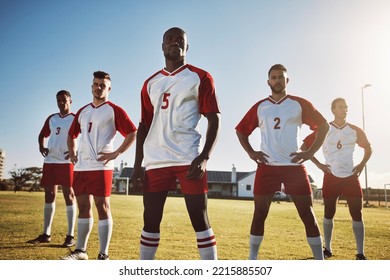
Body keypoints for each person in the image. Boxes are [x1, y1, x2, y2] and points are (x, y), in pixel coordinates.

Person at [131, 27, 220, 260]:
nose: (175, 43)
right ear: (162, 46)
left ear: (187, 47)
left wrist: (204, 157)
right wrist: (137, 164)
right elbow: (144, 125)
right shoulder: (150, 83)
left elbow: (214, 118)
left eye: (180, 40)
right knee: (150, 220)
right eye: (169, 40)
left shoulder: (200, 77)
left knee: (199, 219)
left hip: (187, 158)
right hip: (156, 160)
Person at [235, 64, 329, 260]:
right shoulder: (261, 106)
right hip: (267, 167)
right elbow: (241, 130)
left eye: (281, 77)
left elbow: (324, 126)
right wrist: (251, 152)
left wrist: (310, 151)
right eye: (274, 77)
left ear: (287, 81)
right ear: (268, 81)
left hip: (294, 167)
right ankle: (252, 260)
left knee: (308, 215)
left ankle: (319, 260)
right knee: (259, 214)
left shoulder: (299, 104)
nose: (277, 81)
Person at [61, 71, 137, 260]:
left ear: (108, 88)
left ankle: (103, 254)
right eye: (95, 84)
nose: (98, 87)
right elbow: (71, 135)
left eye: (102, 85)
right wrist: (72, 152)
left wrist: (116, 153)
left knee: (102, 206)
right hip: (81, 167)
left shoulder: (114, 110)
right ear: (91, 86)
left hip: (102, 166)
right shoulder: (83, 111)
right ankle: (80, 251)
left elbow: (132, 133)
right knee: (83, 206)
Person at [302, 97, 372, 260]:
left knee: (357, 213)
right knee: (329, 212)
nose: (344, 109)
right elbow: (305, 147)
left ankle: (360, 253)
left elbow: (369, 148)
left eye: (346, 107)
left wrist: (361, 165)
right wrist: (319, 165)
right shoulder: (325, 129)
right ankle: (328, 248)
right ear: (333, 110)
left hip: (350, 176)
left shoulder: (354, 130)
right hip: (331, 176)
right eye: (341, 107)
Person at [27, 90, 77, 247]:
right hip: (50, 161)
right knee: (49, 195)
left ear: (70, 101)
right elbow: (42, 134)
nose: (61, 102)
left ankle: (70, 236)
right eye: (59, 100)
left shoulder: (76, 119)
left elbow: (86, 137)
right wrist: (41, 146)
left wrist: (75, 151)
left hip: (66, 162)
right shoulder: (52, 118)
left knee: (69, 196)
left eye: (64, 100)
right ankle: (46, 234)